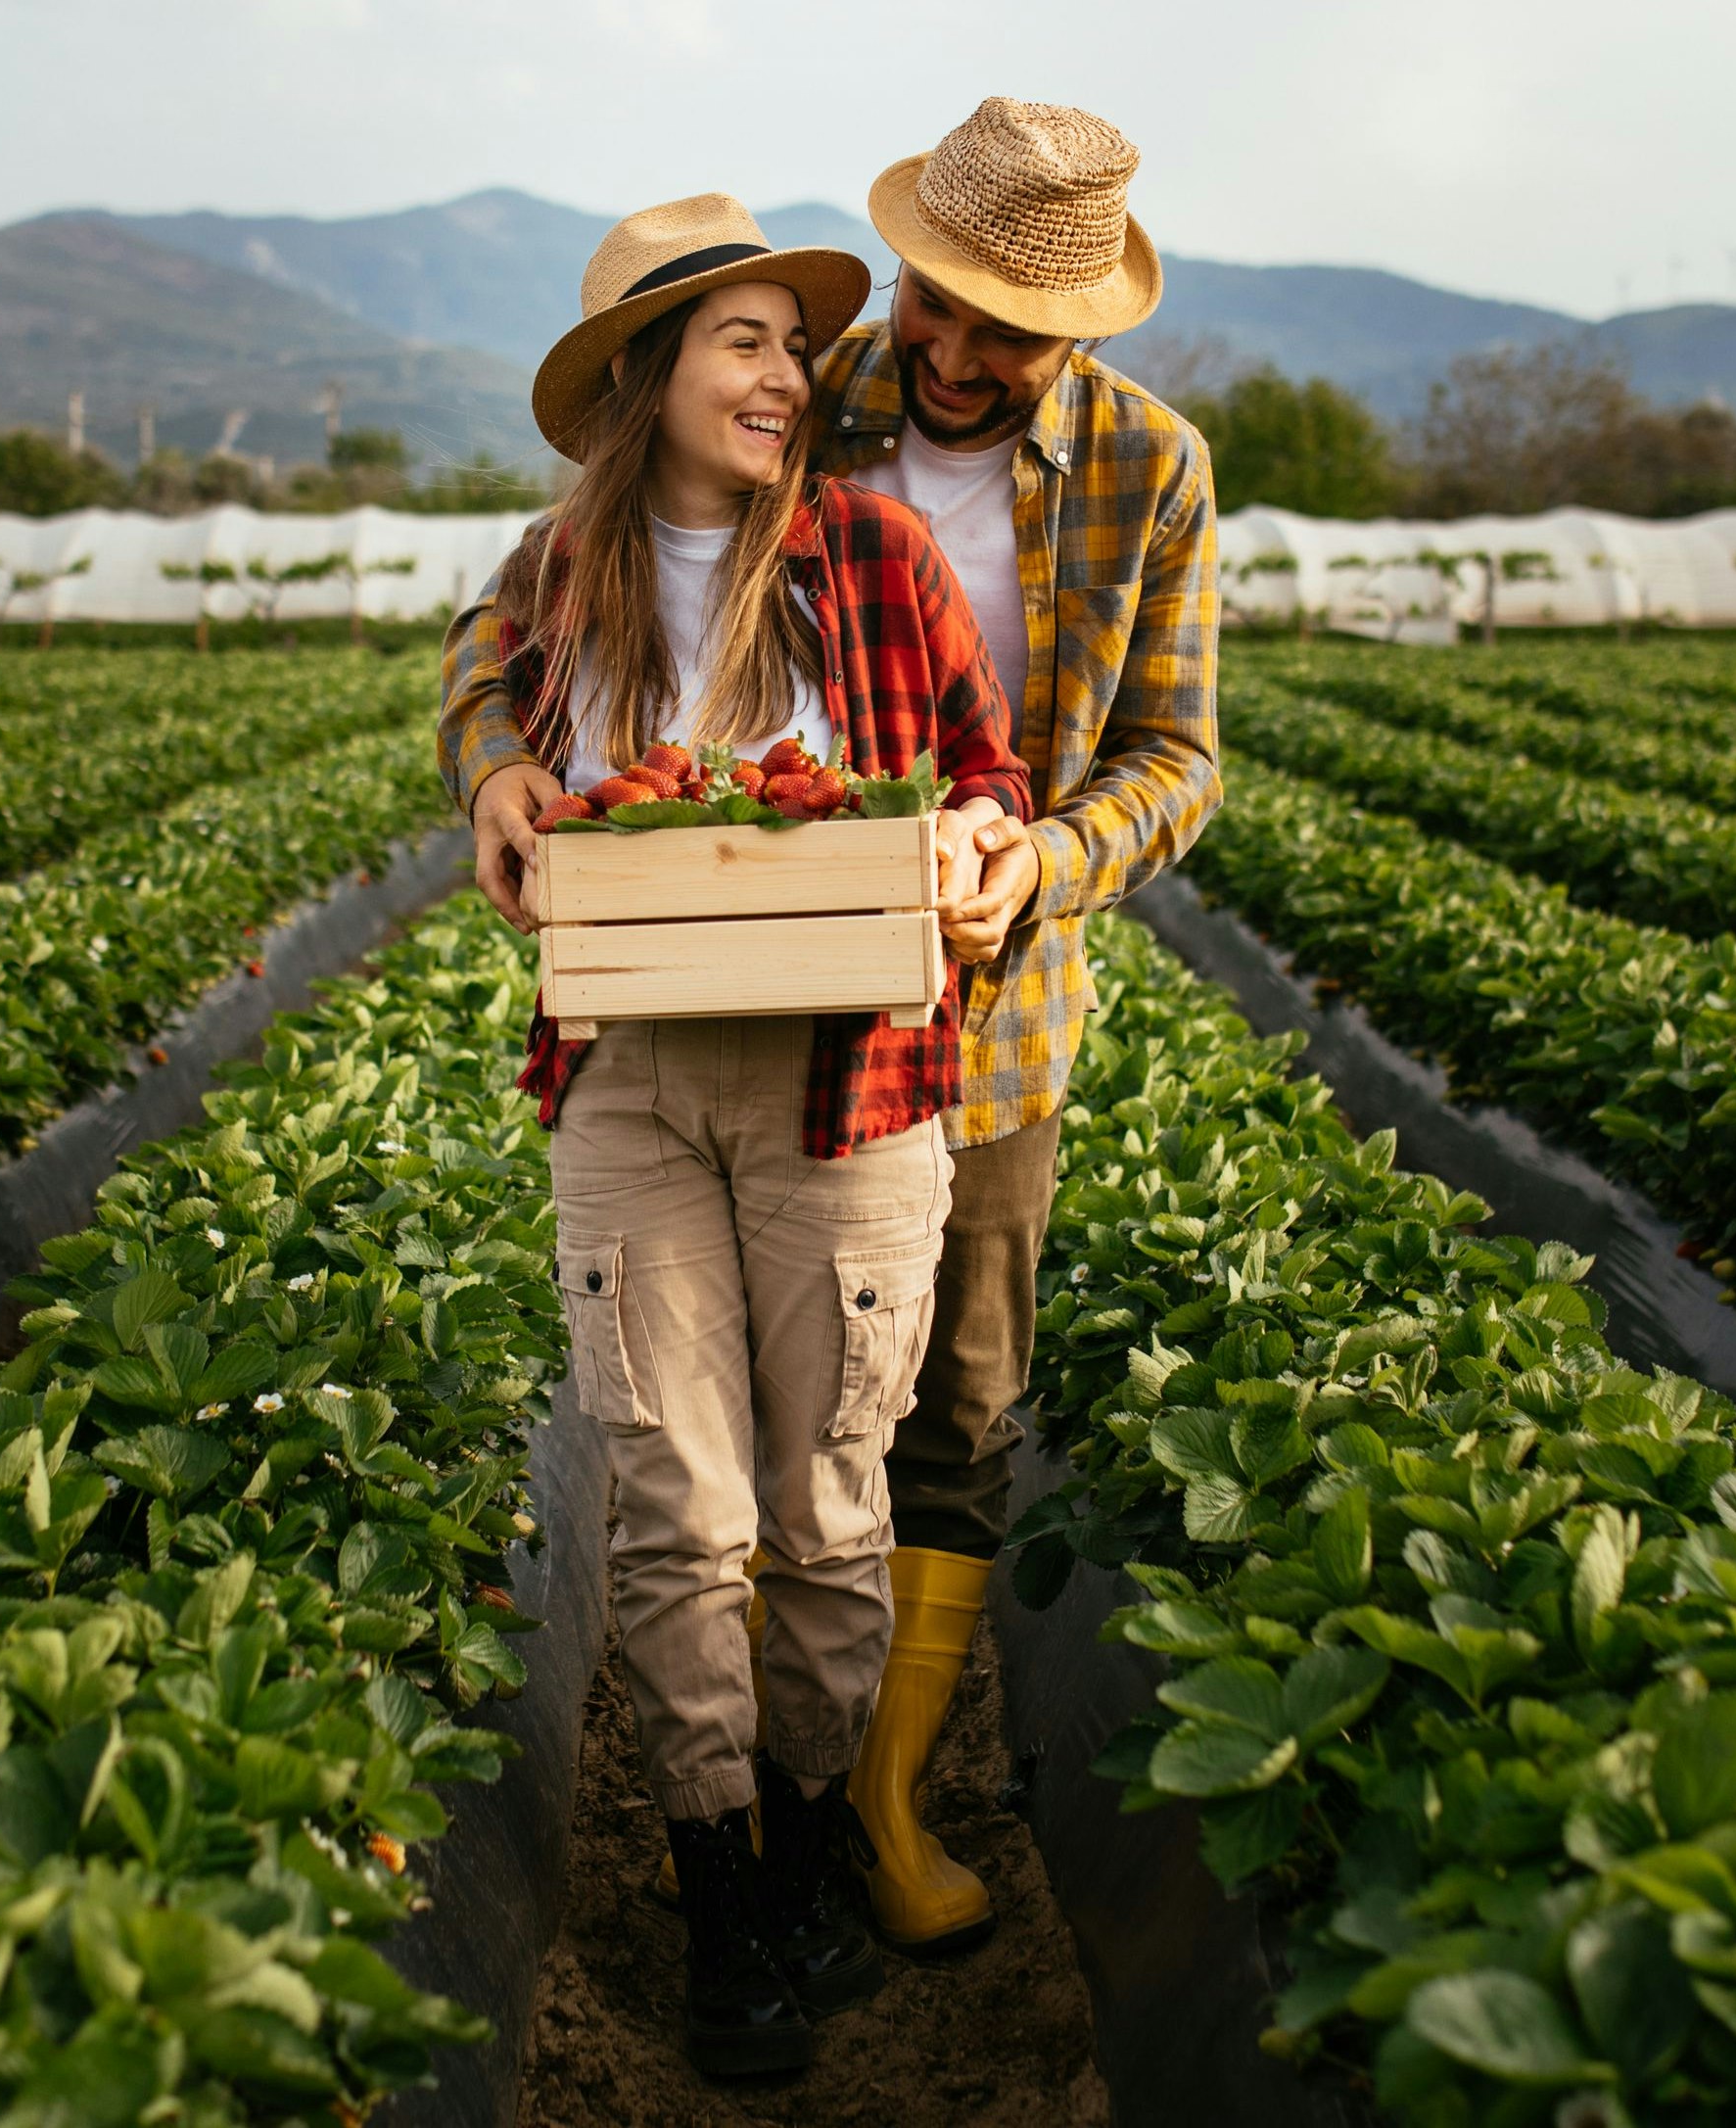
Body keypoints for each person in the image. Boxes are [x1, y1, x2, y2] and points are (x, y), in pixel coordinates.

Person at [450, 102, 1221, 1958]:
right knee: (717, 1454)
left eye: (998, 336)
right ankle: (746, 1822)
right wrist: (490, 764)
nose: (942, 355)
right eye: (927, 308)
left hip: (973, 1009)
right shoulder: (805, 395)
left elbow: (1171, 755)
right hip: (689, 1019)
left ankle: (868, 1805)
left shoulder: (1144, 470)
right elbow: (516, 617)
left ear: (1069, 334)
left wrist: (1025, 852)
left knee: (938, 1415)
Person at [448, 194, 1031, 2077]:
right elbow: (478, 695)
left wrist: (974, 849)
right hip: (626, 1073)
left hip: (843, 1079)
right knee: (676, 1500)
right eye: (748, 343)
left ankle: (797, 1834)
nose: (791, 377)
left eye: (795, 344)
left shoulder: (870, 554)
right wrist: (497, 771)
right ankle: (720, 1883)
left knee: (832, 1496)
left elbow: (989, 774)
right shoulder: (560, 573)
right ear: (649, 376)